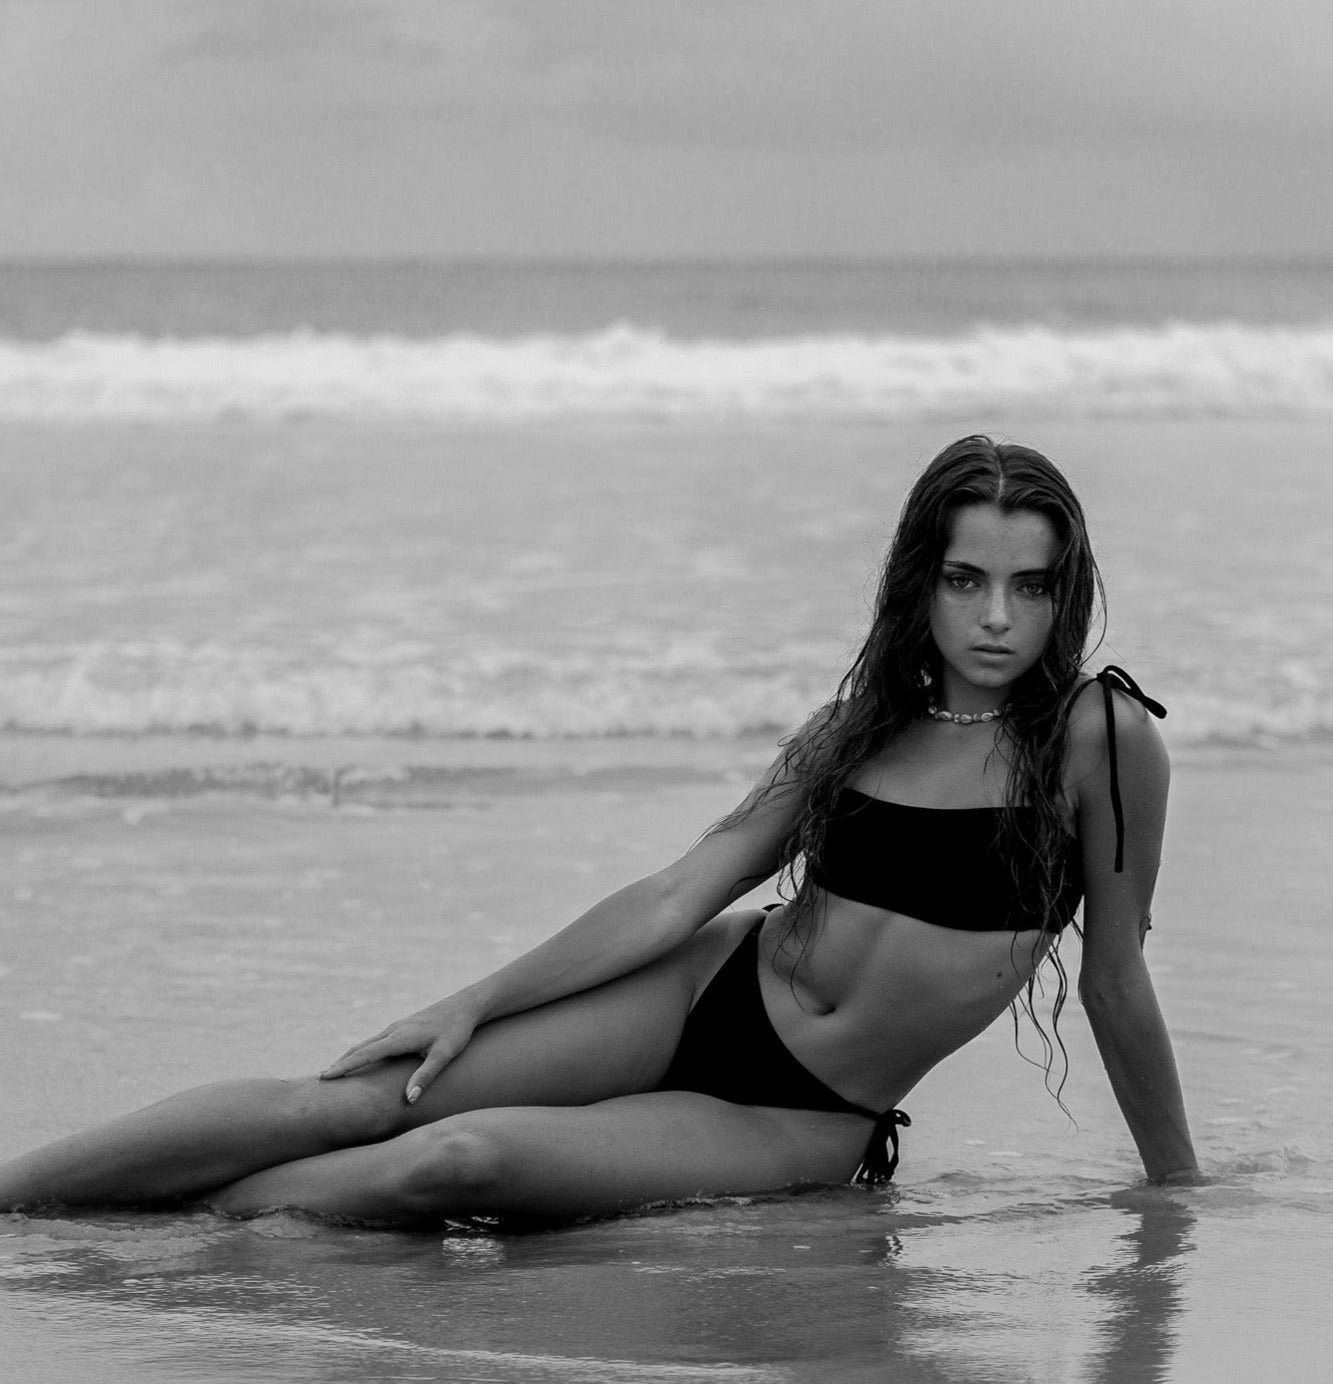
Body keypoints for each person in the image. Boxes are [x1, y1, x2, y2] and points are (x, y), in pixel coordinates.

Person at [0, 436, 1198, 1226]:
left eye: (1028, 586)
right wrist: (470, 1000)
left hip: (793, 1115)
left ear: (1066, 589)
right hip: (702, 983)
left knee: (455, 1161)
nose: (995, 616)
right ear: (917, 583)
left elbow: (1115, 983)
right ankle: (25, 1200)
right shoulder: (857, 723)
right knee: (365, 1094)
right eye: (963, 578)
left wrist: (1175, 1194)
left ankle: (183, 1236)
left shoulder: (1099, 737)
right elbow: (680, 893)